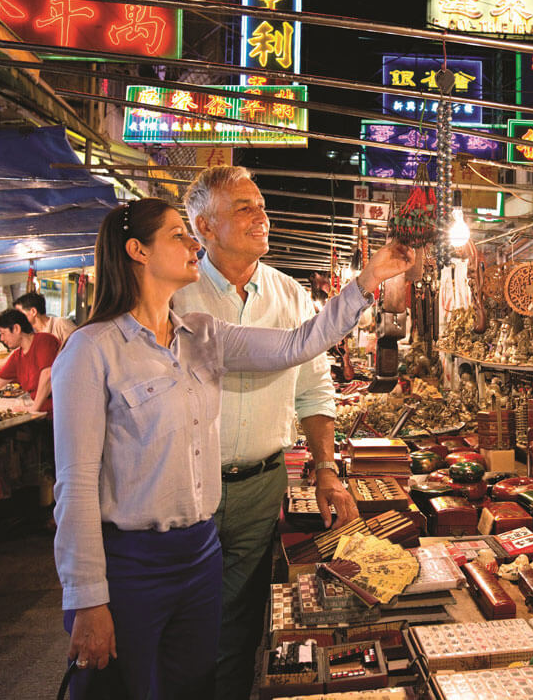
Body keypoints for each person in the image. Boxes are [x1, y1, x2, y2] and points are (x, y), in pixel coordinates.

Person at [52, 198, 413, 700]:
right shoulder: (92, 350)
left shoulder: (201, 335)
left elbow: (297, 344)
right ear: (137, 250)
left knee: (192, 685)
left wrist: (366, 282)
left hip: (199, 551)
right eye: (179, 235)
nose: (193, 244)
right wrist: (87, 598)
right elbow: (74, 484)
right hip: (132, 559)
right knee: (117, 689)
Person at [172, 166, 360, 700]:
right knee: (182, 621)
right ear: (204, 228)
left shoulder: (290, 294)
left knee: (239, 624)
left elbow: (315, 390)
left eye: (260, 204)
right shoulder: (176, 294)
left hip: (260, 486)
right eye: (243, 208)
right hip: (185, 485)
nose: (261, 216)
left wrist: (326, 469)